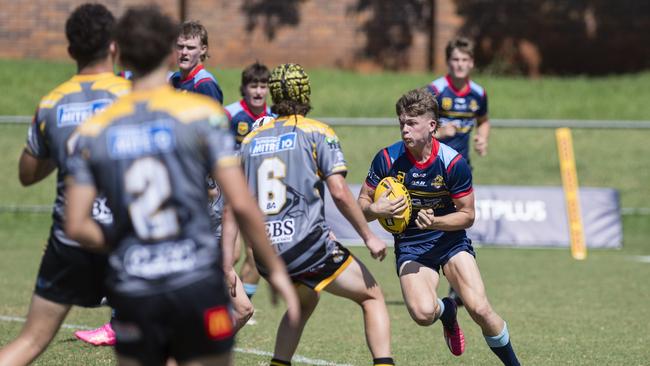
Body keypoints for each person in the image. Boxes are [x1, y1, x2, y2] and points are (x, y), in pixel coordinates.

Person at [63, 6, 298, 366]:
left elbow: (77, 222)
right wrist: (277, 273)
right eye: (178, 46)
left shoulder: (103, 127)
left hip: (150, 260)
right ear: (166, 53)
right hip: (190, 253)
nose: (183, 53)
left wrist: (130, 239)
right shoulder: (185, 104)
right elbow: (240, 198)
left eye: (189, 46)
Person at [237, 63, 395, 366]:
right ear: (305, 93)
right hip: (306, 246)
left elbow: (237, 202)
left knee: (305, 301)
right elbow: (338, 191)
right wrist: (369, 235)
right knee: (372, 296)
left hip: (265, 255)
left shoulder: (251, 140)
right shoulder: (317, 132)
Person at [0, 4, 129, 364]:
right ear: (114, 46)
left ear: (71, 51)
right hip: (123, 241)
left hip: (69, 240)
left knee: (29, 341)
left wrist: (63, 144)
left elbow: (27, 174)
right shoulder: (133, 97)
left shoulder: (52, 103)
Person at [358, 88, 520, 365]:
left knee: (480, 308)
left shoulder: (452, 163)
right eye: (401, 123)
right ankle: (447, 312)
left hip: (450, 241)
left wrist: (436, 221)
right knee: (422, 314)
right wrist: (375, 209)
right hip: (411, 246)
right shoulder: (386, 159)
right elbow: (360, 202)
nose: (404, 130)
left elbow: (467, 216)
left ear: (432, 125)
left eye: (411, 123)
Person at [427, 36, 490, 305]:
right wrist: (440, 131)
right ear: (448, 62)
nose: (460, 64)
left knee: (459, 222)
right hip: (432, 167)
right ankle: (425, 274)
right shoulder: (436, 90)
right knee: (432, 222)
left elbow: (484, 121)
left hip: (460, 169)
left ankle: (457, 283)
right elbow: (419, 126)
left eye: (465, 60)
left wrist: (483, 138)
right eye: (455, 59)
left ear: (472, 63)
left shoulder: (478, 93)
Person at [224, 62, 274, 309]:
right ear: (243, 88)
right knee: (230, 255)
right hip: (229, 195)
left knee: (257, 255)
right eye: (253, 85)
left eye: (263, 86)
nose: (258, 91)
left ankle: (242, 306)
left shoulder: (273, 118)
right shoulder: (230, 114)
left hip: (260, 197)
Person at [169, 20, 224, 103]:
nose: (184, 52)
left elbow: (215, 115)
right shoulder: (174, 79)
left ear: (202, 50)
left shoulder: (205, 84)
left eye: (190, 48)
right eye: (180, 46)